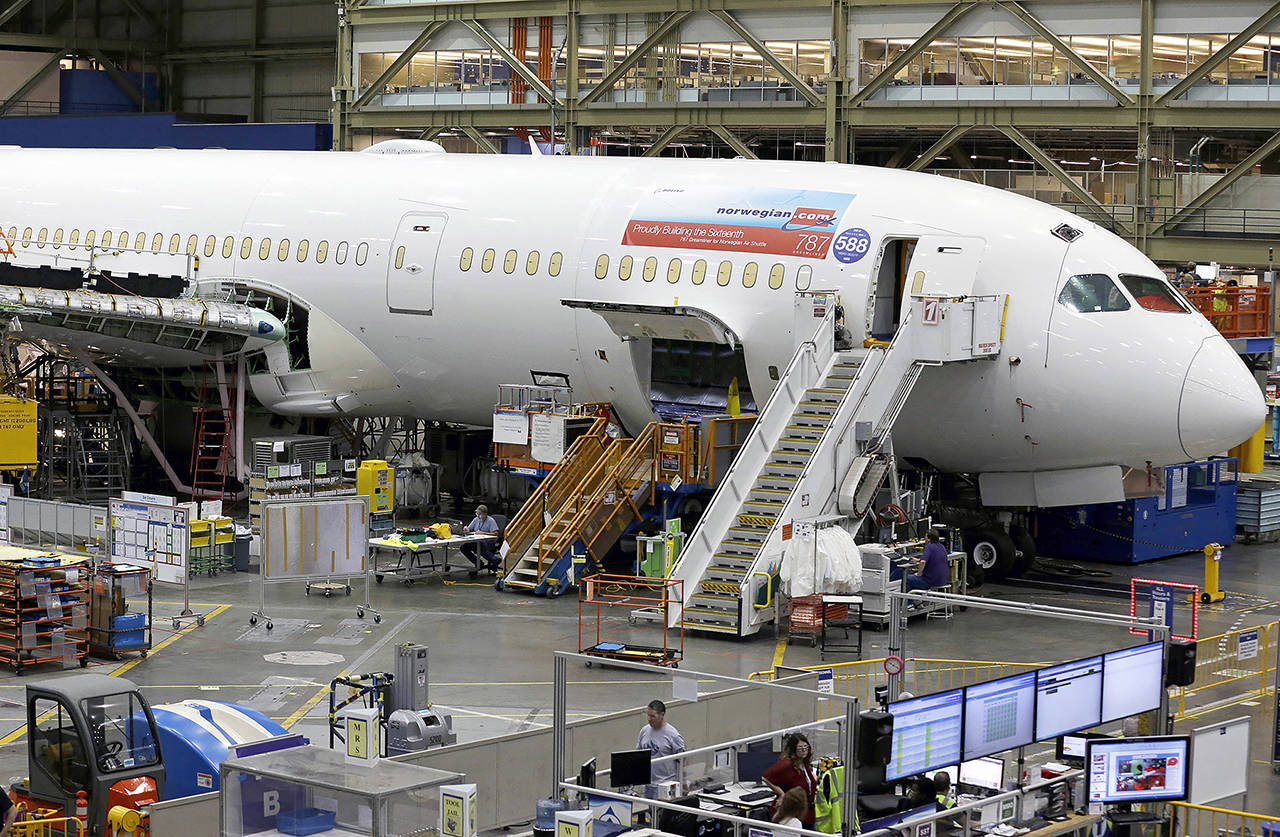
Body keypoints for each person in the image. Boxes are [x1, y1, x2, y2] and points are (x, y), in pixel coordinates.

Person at [763, 733, 817, 828]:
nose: (804, 750)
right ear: (793, 749)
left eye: (806, 747)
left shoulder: (804, 763)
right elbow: (765, 777)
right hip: (793, 813)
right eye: (800, 748)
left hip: (808, 812)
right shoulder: (787, 764)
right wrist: (781, 794)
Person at [638, 700, 685, 785]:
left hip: (667, 783)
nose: (649, 719)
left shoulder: (672, 734)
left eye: (653, 716)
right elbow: (639, 754)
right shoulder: (644, 731)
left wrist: (683, 782)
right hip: (649, 783)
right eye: (648, 715)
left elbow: (682, 759)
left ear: (662, 715)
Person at [462, 505, 500, 576]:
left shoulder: (490, 521)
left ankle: (494, 560)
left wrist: (483, 533)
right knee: (464, 548)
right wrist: (466, 529)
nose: (478, 516)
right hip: (477, 541)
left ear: (485, 514)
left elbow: (495, 533)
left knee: (480, 546)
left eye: (480, 514)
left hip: (488, 541)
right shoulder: (476, 519)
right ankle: (478, 562)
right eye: (477, 514)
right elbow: (470, 528)